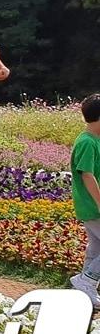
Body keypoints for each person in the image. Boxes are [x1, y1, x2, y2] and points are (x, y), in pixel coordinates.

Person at [69, 94, 100, 306]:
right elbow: (87, 174)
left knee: (96, 247)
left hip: (91, 205)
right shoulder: (87, 142)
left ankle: (83, 285)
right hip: (93, 205)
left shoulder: (93, 140)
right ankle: (87, 280)